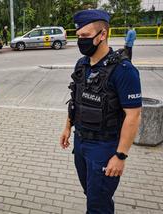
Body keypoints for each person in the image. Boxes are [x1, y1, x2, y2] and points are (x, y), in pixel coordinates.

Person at [59, 10, 142, 214]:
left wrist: (120, 156)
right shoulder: (82, 65)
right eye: (78, 37)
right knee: (93, 195)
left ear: (102, 34)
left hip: (104, 148)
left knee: (96, 206)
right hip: (81, 144)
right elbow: (75, 100)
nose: (81, 41)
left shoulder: (124, 70)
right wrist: (67, 127)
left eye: (85, 36)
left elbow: (133, 115)